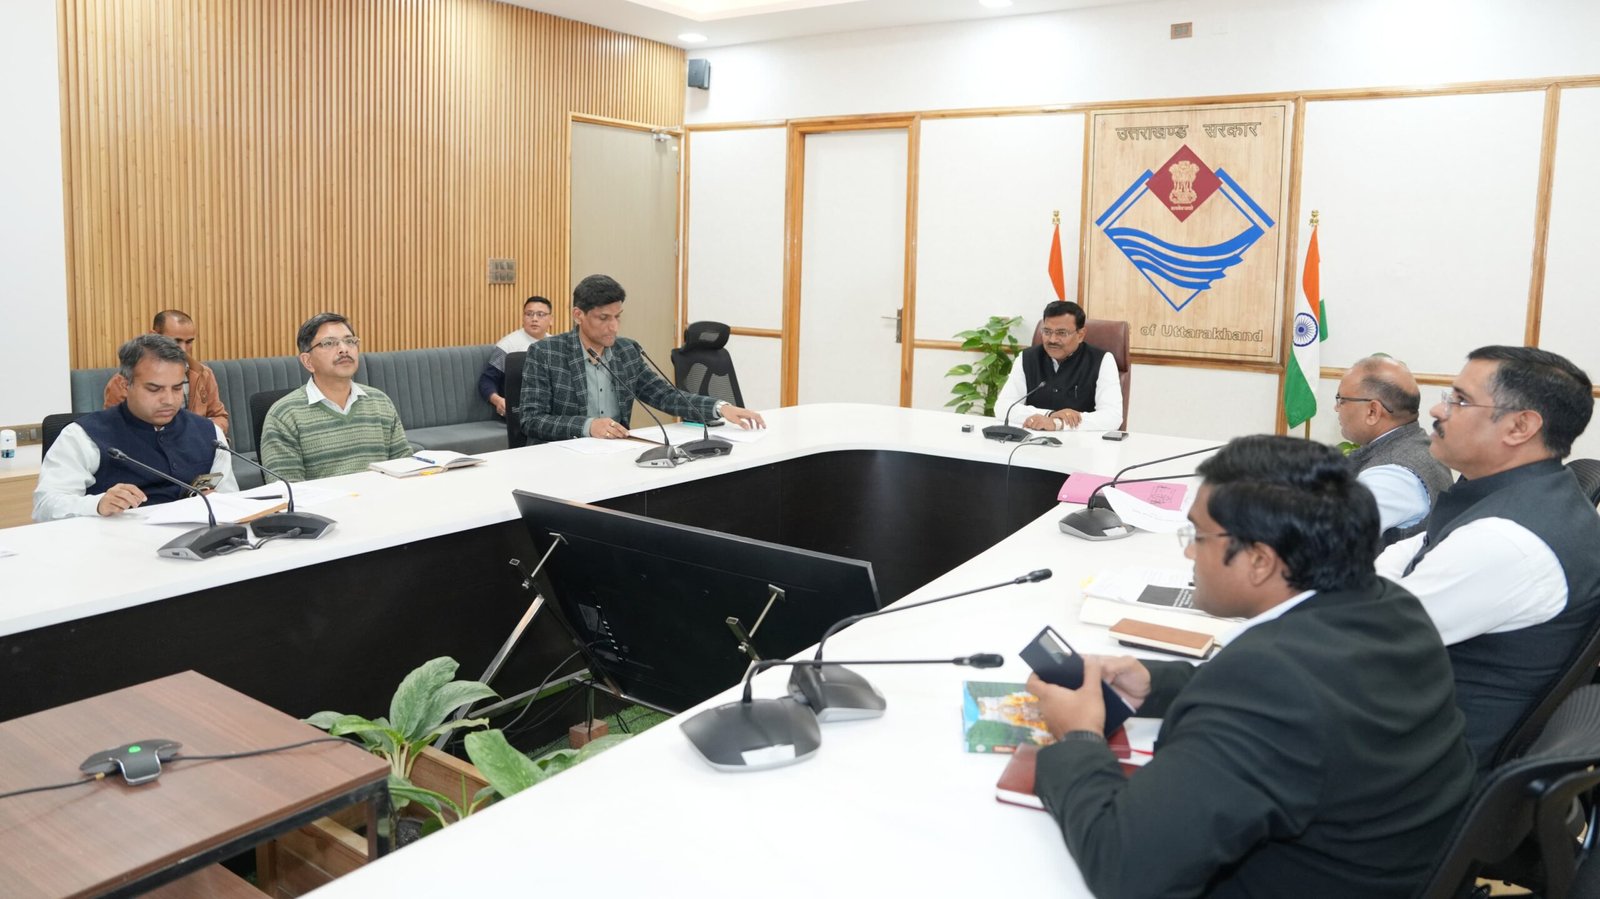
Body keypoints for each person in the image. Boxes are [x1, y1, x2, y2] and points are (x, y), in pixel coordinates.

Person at [1027, 435, 1473, 898]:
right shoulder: (1390, 605)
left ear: (1259, 561)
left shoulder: (1267, 686)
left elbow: (1124, 869)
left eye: (1198, 537)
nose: (1188, 554)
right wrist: (1153, 683)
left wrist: (1077, 737)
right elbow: (1301, 697)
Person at [1376, 345, 1600, 774]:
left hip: (1416, 770)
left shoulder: (1504, 542)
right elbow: (1411, 548)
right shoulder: (1536, 492)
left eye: (1460, 401)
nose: (1438, 410)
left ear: (1520, 426)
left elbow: (1362, 634)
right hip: (1419, 732)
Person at [519, 274, 764, 443]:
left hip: (615, 452)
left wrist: (720, 408)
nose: (614, 327)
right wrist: (588, 426)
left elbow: (665, 395)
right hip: (562, 458)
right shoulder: (546, 353)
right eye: (604, 318)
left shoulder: (626, 351)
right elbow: (531, 420)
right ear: (578, 315)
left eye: (618, 316)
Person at [34, 335, 237, 521]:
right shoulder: (82, 436)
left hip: (198, 541)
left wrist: (218, 500)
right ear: (125, 385)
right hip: (115, 544)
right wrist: (97, 504)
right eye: (154, 389)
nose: (169, 400)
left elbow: (232, 500)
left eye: (177, 388)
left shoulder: (210, 434)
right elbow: (44, 506)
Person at [258, 312, 411, 481]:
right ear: (308, 361)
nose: (344, 349)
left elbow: (405, 469)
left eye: (350, 341)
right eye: (329, 343)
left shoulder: (380, 402)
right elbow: (287, 489)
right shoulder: (284, 415)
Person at [1335, 354, 1452, 543]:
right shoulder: (1416, 443)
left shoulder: (1392, 476)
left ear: (1372, 411)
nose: (1336, 407)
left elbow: (1327, 538)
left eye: (1341, 399)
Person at [994, 300, 1122, 432]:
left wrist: (1058, 423)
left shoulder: (1102, 360)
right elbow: (1003, 407)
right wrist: (1049, 415)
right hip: (1033, 440)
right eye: (1047, 331)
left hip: (1081, 442)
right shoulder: (1027, 358)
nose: (1052, 339)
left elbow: (1112, 417)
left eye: (1061, 333)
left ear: (1080, 335)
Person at [103, 309, 230, 434]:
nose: (183, 349)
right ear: (154, 336)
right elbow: (114, 428)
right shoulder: (123, 381)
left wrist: (198, 433)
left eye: (189, 342)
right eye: (176, 341)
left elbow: (220, 417)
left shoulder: (203, 374)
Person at [479, 295, 551, 418]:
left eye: (540, 314)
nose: (534, 319)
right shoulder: (507, 345)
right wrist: (498, 401)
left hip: (550, 409)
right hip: (520, 411)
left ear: (551, 319)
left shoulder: (555, 344)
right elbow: (487, 380)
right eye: (529, 314)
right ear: (523, 318)